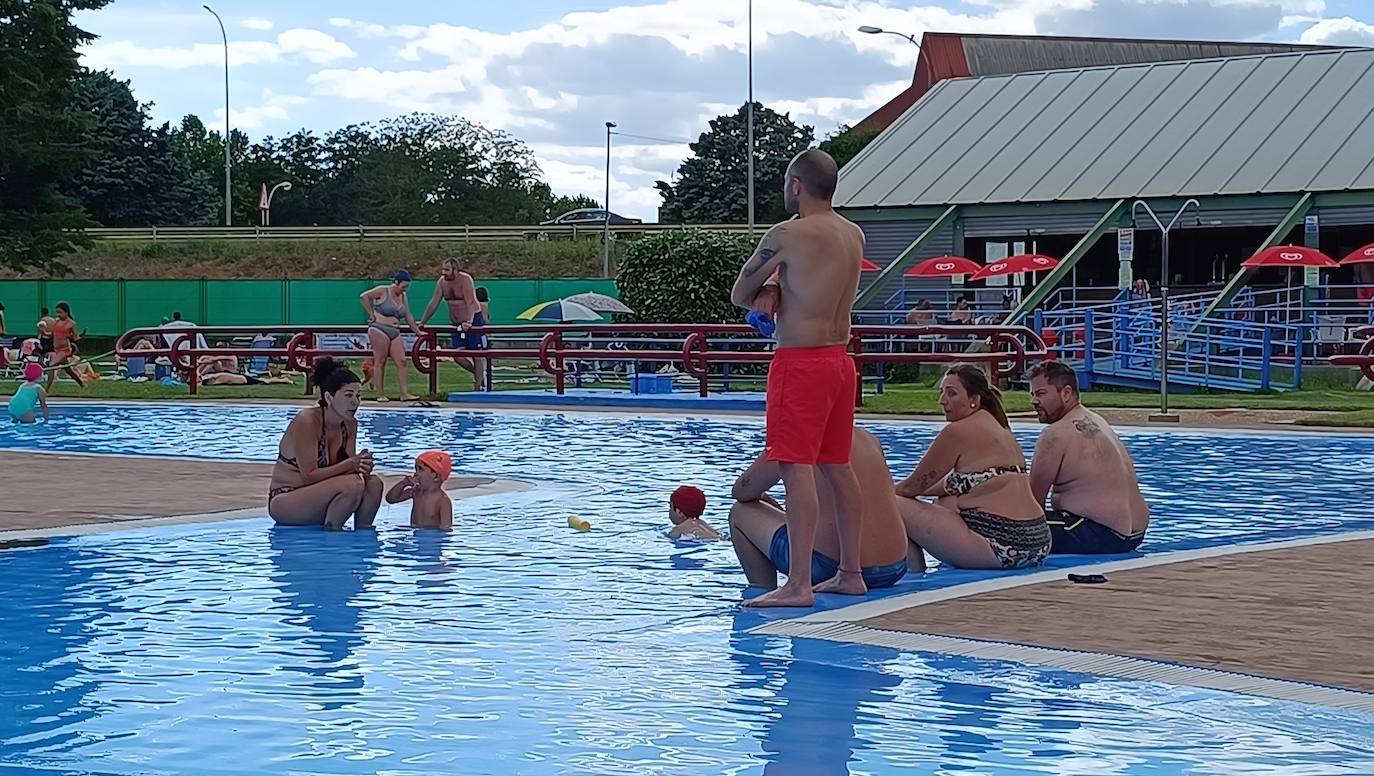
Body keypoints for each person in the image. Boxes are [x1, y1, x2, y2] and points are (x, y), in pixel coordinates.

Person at [728, 148, 865, 608]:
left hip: (801, 362)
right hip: (840, 361)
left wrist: (768, 289)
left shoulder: (787, 233)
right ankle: (850, 571)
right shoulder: (853, 234)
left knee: (795, 465)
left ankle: (799, 583)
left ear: (796, 185)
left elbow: (739, 293)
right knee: (837, 466)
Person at [895, 364, 1050, 570]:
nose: (942, 401)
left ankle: (912, 572)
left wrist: (879, 492)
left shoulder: (958, 432)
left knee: (892, 504)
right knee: (945, 501)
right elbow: (949, 484)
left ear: (974, 400)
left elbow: (911, 488)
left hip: (1003, 547)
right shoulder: (1000, 429)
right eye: (942, 393)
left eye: (952, 394)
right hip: (1038, 542)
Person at [731, 427, 910, 591]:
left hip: (826, 566)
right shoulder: (868, 439)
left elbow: (742, 491)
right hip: (894, 568)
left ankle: (761, 591)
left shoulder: (795, 437)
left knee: (740, 512)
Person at [1027, 361, 1150, 553]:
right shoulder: (1099, 422)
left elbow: (1032, 500)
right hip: (1135, 534)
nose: (1034, 401)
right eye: (1032, 394)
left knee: (1006, 524)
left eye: (1041, 394)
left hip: (1097, 532)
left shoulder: (1055, 434)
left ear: (1066, 393)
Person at [268, 357, 383, 530]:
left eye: (358, 396)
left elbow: (350, 469)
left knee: (374, 484)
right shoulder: (307, 422)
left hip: (320, 495)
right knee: (351, 485)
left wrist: (362, 465)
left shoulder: (350, 424)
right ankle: (332, 534)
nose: (355, 402)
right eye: (348, 395)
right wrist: (351, 463)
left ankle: (363, 539)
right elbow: (309, 476)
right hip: (287, 499)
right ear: (329, 397)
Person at [420, 258, 487, 391]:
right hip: (456, 322)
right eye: (443, 269)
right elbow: (434, 303)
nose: (443, 272)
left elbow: (470, 302)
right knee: (457, 355)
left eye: (447, 270)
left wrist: (469, 321)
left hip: (473, 319)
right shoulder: (442, 282)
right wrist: (423, 321)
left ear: (455, 270)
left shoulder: (465, 280)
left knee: (476, 354)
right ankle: (480, 375)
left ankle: (478, 386)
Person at [360, 270, 423, 402]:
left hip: (395, 331)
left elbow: (408, 316)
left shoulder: (403, 296)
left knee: (402, 361)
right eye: (403, 286)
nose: (404, 289)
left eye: (406, 287)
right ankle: (380, 394)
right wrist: (371, 314)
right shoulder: (383, 291)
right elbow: (364, 297)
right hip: (379, 329)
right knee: (380, 361)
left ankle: (404, 393)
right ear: (396, 283)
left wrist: (418, 332)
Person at [386, 450, 455, 530]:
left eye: (420, 469)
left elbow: (446, 527)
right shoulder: (416, 492)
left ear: (436, 477)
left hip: (433, 538)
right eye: (416, 469)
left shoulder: (442, 500)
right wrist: (403, 483)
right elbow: (391, 499)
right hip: (415, 536)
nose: (416, 473)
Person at [45, 302, 85, 391]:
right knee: (68, 370)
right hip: (57, 349)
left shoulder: (71, 323)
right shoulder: (56, 322)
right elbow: (51, 334)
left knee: (51, 366)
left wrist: (80, 336)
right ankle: (82, 384)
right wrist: (44, 332)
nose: (58, 315)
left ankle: (46, 389)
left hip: (65, 350)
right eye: (57, 312)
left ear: (66, 312)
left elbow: (75, 337)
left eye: (60, 312)